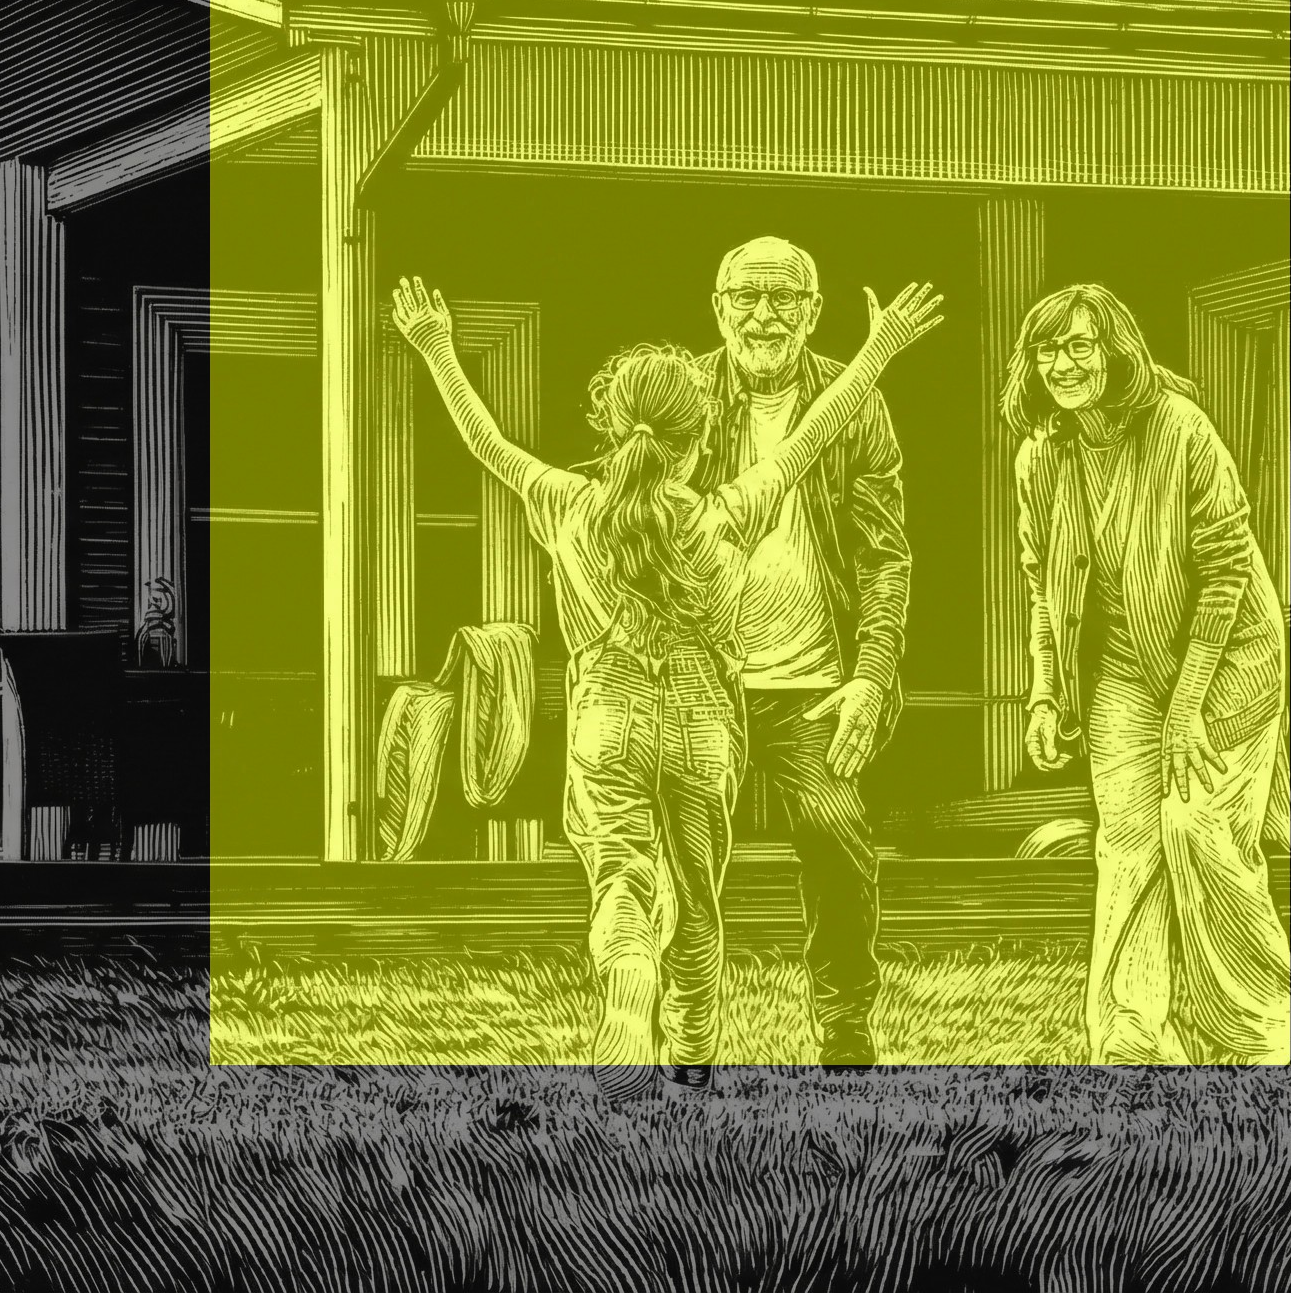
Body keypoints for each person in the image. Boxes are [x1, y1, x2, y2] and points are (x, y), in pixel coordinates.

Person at [392, 274, 944, 1099]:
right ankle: (688, 1059)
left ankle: (626, 977)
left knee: (622, 874)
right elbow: (820, 429)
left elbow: (486, 442)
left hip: (607, 719)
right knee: (697, 901)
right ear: (695, 441)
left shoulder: (569, 504)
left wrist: (436, 345)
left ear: (614, 431)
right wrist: (882, 347)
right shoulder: (726, 513)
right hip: (701, 725)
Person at [1003, 283, 1288, 1065]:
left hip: (1229, 656)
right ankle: (1133, 1043)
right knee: (1127, 845)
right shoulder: (1039, 456)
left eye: (1079, 346)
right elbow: (1042, 584)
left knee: (1201, 831)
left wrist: (1188, 704)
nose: (1061, 363)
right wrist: (1043, 692)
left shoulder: (1179, 428)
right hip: (1126, 668)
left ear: (1115, 350)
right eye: (1046, 350)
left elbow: (1228, 570)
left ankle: (1252, 1037)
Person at [684, 236, 909, 1069]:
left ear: (814, 312)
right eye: (746, 296)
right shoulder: (684, 395)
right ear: (718, 306)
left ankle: (846, 1035)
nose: (764, 315)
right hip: (699, 682)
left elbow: (887, 555)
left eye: (784, 298)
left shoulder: (857, 404)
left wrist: (870, 676)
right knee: (683, 851)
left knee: (838, 833)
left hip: (811, 683)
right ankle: (685, 1040)